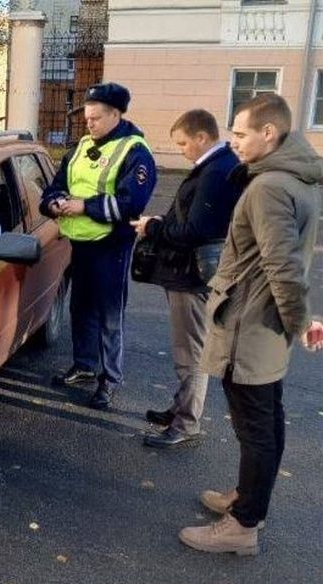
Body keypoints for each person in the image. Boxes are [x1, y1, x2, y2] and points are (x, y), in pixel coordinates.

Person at [178, 94, 323, 555]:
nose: (233, 142)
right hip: (264, 322)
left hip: (250, 323)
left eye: (240, 133)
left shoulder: (269, 187)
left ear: (268, 133)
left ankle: (244, 524)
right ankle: (247, 498)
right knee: (266, 420)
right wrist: (298, 317)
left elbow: (281, 264)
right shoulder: (294, 178)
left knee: (256, 425)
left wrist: (299, 319)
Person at [41, 82, 157, 409]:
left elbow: (129, 205)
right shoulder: (81, 146)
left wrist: (83, 206)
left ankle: (110, 379)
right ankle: (84, 364)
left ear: (116, 115)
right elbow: (55, 187)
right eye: (86, 118)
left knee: (109, 316)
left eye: (95, 118)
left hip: (112, 246)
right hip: (80, 243)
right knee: (81, 307)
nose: (88, 124)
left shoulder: (135, 152)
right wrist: (55, 203)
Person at [131, 110, 242, 449]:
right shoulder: (217, 166)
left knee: (190, 353)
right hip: (190, 273)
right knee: (188, 349)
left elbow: (196, 230)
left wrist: (153, 227)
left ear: (201, 138)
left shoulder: (215, 171)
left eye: (182, 143)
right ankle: (181, 409)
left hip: (192, 276)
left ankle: (186, 422)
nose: (180, 149)